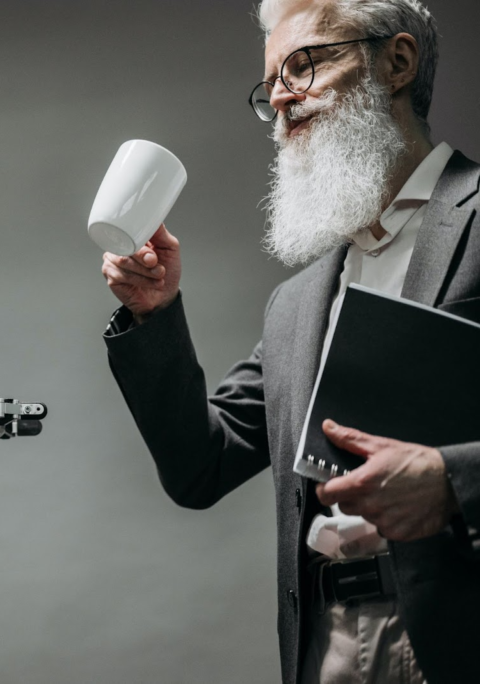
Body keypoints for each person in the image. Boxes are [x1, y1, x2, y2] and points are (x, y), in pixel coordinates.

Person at [100, 1, 479, 682]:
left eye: (304, 63)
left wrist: (454, 482)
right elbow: (200, 467)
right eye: (270, 79)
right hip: (323, 645)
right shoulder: (296, 304)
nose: (279, 97)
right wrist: (154, 314)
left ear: (396, 62)